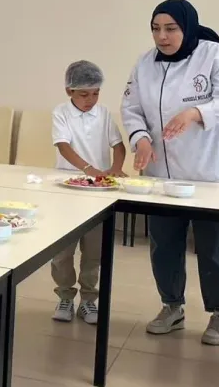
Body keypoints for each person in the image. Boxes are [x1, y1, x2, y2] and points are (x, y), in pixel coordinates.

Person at [121, 0, 219, 346]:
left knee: (215, 247)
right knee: (164, 245)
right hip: (162, 175)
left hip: (211, 173)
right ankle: (172, 306)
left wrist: (194, 113)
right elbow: (131, 108)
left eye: (171, 28)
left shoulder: (215, 55)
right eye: (156, 29)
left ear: (187, 27)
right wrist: (141, 140)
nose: (162, 36)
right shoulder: (144, 64)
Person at [50, 60, 126, 325]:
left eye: (95, 93)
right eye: (84, 94)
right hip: (67, 189)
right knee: (62, 252)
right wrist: (88, 169)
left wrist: (115, 168)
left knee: (94, 251)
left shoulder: (103, 114)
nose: (90, 100)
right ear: (69, 91)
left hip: (98, 191)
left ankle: (88, 300)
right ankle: (65, 297)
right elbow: (63, 146)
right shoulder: (61, 112)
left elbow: (118, 145)